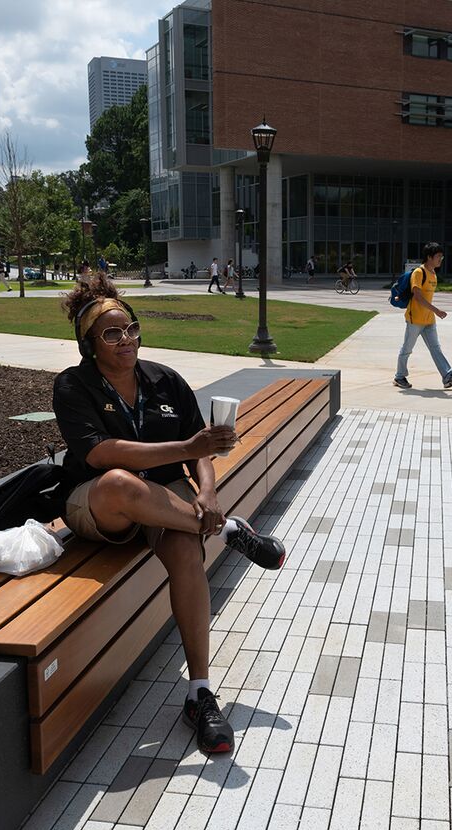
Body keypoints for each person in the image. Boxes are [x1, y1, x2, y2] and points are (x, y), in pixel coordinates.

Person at [53, 276, 287, 754]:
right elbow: (100, 455)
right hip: (99, 503)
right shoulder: (73, 386)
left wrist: (209, 490)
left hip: (165, 502)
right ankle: (232, 532)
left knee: (185, 551)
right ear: (88, 344)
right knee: (122, 481)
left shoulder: (164, 379)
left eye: (131, 329)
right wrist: (188, 448)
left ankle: (199, 691)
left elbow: (200, 447)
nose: (126, 341)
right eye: (111, 334)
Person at [394, 242, 452, 390]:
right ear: (429, 257)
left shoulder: (433, 274)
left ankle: (447, 376)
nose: (441, 259)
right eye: (438, 256)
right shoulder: (419, 273)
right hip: (415, 319)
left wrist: (433, 313)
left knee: (435, 348)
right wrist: (437, 311)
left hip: (429, 320)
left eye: (441, 256)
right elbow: (418, 297)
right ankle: (399, 376)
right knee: (407, 349)